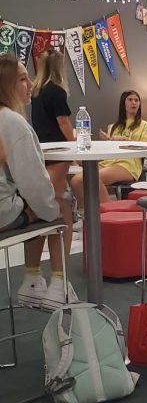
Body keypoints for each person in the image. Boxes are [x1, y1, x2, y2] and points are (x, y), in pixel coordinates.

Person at [0, 55, 75, 309]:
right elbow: (34, 186)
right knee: (60, 207)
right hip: (2, 214)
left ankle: (32, 280)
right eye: (22, 79)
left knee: (38, 206)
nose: (30, 84)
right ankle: (59, 286)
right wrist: (50, 209)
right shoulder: (13, 123)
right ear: (6, 86)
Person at [70, 90, 147, 206]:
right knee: (75, 181)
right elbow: (110, 150)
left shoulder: (145, 126)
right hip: (109, 162)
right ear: (123, 103)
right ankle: (88, 215)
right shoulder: (115, 127)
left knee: (88, 179)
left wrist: (125, 140)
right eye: (130, 100)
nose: (134, 103)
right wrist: (108, 141)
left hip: (128, 164)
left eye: (136, 100)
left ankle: (110, 210)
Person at [30, 49, 75, 254]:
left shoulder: (36, 92)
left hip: (42, 148)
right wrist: (74, 145)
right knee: (55, 200)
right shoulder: (56, 91)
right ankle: (59, 255)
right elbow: (63, 121)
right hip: (59, 149)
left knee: (49, 196)